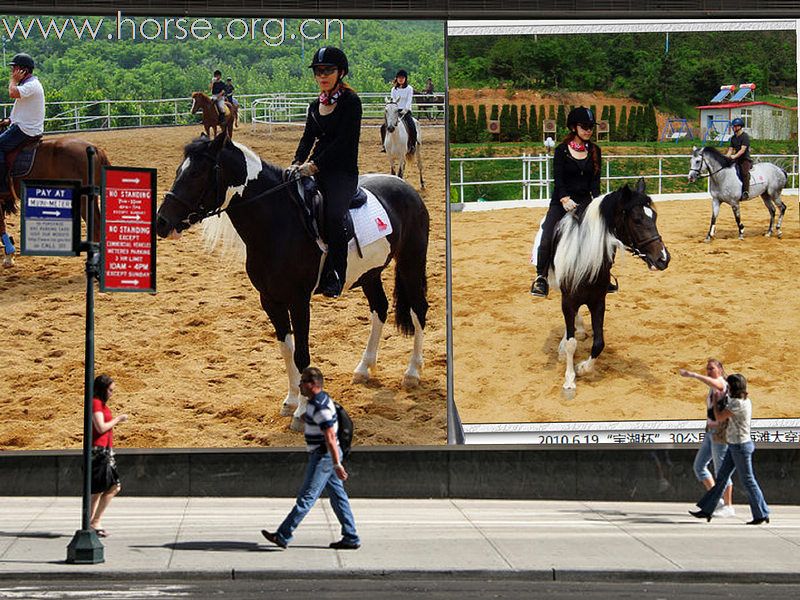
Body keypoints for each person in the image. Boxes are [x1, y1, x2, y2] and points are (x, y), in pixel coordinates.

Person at [261, 367, 360, 550]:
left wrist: (337, 463)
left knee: (306, 497)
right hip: (326, 455)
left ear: (313, 384)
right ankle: (351, 536)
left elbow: (330, 436)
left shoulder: (321, 406)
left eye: (303, 382)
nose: (299, 385)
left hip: (324, 456)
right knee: (338, 497)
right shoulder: (318, 402)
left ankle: (283, 535)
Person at [291, 46, 362, 298]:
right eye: (319, 71)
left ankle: (336, 274)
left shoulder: (351, 102)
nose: (322, 75)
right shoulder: (315, 105)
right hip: (316, 168)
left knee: (333, 216)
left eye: (328, 70)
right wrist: (297, 160)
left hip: (342, 173)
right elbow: (307, 137)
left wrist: (314, 165)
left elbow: (343, 142)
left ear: (340, 72)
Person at [530, 106, 617, 298]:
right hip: (562, 202)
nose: (588, 130)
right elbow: (558, 178)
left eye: (590, 127)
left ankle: (605, 275)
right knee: (547, 235)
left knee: (606, 235)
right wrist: (564, 198)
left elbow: (595, 182)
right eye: (584, 126)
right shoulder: (562, 150)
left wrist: (597, 202)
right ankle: (541, 278)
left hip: (586, 203)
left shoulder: (595, 150)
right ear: (573, 127)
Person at [690, 373, 770, 525]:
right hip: (735, 445)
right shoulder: (742, 400)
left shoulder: (738, 404)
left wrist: (714, 402)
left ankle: (761, 513)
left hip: (740, 447)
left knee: (748, 480)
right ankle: (707, 510)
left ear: (732, 388)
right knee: (721, 479)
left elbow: (719, 417)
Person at [679, 359, 735, 517]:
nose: (708, 371)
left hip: (721, 432)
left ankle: (729, 506)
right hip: (710, 432)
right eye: (707, 369)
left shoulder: (722, 384)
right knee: (699, 466)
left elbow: (714, 383)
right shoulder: (714, 387)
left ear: (720, 369)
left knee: (721, 471)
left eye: (711, 368)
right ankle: (717, 500)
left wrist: (693, 375)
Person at [0, 53, 45, 196]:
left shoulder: (31, 85)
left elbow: (12, 93)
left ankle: (2, 187)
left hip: (25, 130)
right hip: (22, 126)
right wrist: (8, 121)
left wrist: (13, 80)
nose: (12, 72)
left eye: (14, 69)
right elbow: (22, 110)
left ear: (23, 71)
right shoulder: (28, 84)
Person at [90, 374, 128, 538]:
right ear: (103, 389)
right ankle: (93, 522)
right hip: (99, 451)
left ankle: (92, 521)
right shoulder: (96, 403)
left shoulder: (100, 404)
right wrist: (118, 419)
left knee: (104, 488)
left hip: (104, 450)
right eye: (110, 390)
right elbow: (101, 427)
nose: (112, 394)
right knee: (104, 488)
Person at [381, 69, 417, 154]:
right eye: (399, 78)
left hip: (406, 111)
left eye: (402, 78)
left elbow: (409, 100)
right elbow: (392, 101)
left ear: (405, 79)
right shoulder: (394, 89)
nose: (401, 79)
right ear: (396, 79)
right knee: (383, 127)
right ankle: (384, 145)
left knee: (412, 126)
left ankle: (412, 145)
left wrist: (405, 109)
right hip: (395, 111)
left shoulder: (409, 89)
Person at [726, 117, 752, 200]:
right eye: (733, 126)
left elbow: (742, 150)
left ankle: (745, 192)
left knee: (744, 173)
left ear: (739, 127)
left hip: (745, 159)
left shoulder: (745, 137)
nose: (733, 128)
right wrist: (726, 157)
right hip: (736, 159)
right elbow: (730, 149)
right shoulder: (733, 138)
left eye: (735, 126)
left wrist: (734, 156)